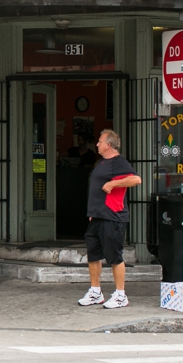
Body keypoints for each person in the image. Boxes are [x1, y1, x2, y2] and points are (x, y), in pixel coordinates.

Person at [78, 129, 141, 309]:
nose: (96, 144)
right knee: (94, 255)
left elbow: (136, 179)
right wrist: (92, 212)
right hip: (97, 216)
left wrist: (113, 183)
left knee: (114, 256)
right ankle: (95, 292)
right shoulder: (103, 162)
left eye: (99, 141)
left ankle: (121, 295)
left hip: (112, 217)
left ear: (108, 144)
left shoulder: (119, 162)